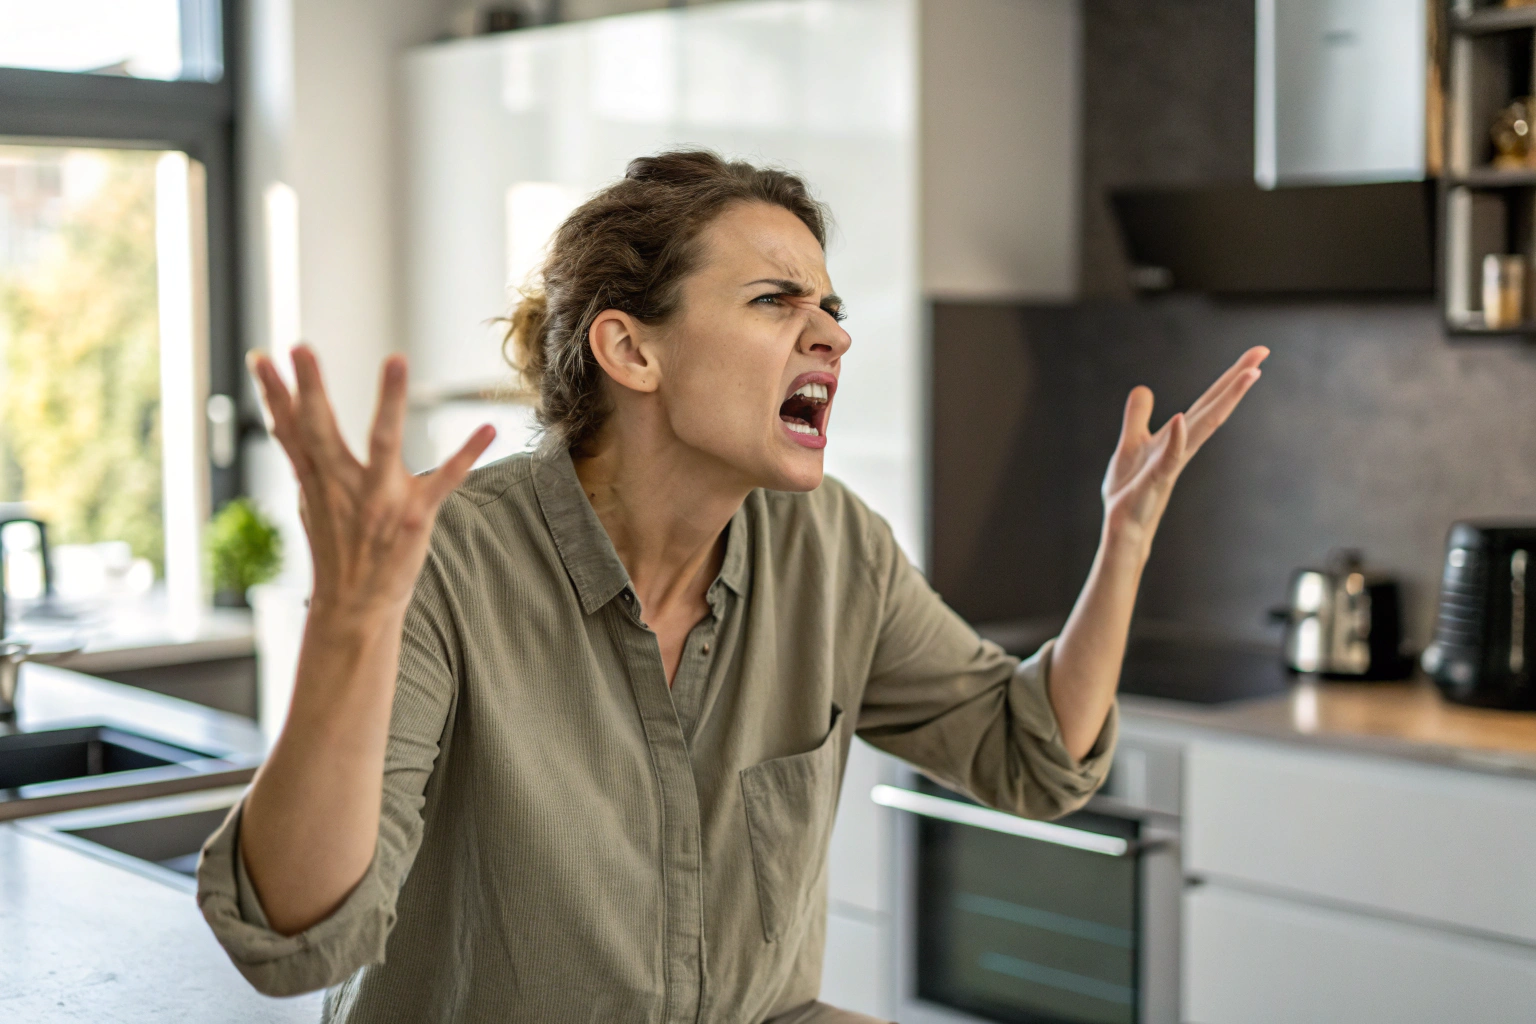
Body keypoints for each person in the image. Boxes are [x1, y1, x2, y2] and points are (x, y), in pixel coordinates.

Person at [197, 151, 1265, 1023]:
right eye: (775, 300)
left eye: (832, 306)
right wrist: (350, 618)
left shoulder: (831, 547)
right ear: (631, 347)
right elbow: (296, 938)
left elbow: (1029, 752)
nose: (834, 333)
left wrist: (1124, 539)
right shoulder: (450, 562)